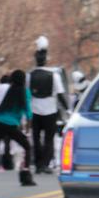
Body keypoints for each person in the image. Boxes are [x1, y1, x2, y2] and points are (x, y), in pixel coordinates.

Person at [26, 35, 69, 174]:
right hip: (50, 110)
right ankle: (45, 164)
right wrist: (68, 109)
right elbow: (60, 94)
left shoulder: (29, 75)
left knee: (36, 138)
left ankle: (38, 164)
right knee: (49, 139)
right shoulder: (54, 76)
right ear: (46, 60)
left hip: (34, 111)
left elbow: (27, 94)